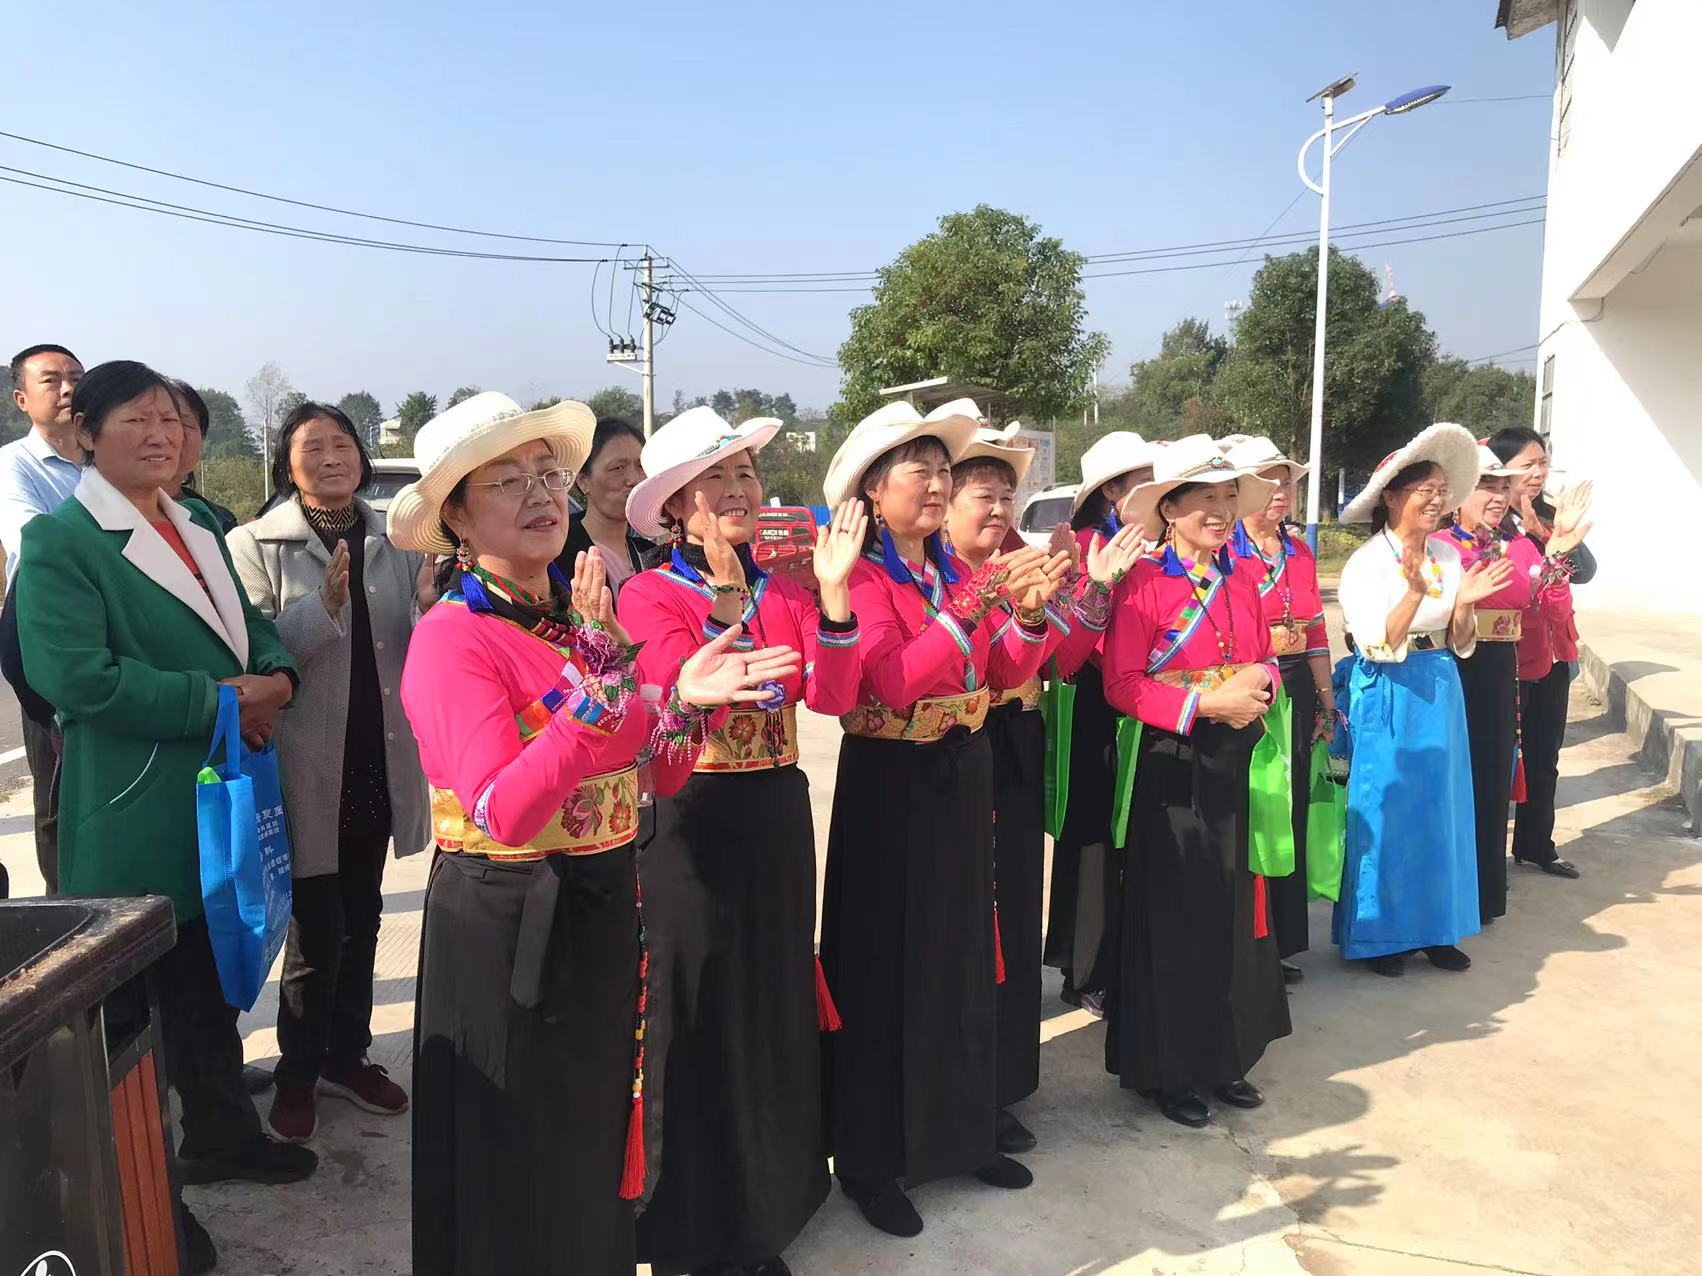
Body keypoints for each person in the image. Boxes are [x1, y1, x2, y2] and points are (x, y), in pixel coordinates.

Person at [391, 391, 799, 1276]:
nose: (541, 495)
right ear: (455, 516)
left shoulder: (581, 626)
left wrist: (684, 703)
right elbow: (503, 807)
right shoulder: (452, 639)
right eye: (507, 482)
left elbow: (660, 773)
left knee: (592, 1131)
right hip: (510, 919)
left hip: (604, 902)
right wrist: (604, 696)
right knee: (521, 1145)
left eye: (547, 475)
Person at [15, 360, 317, 1273]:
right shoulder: (63, 541)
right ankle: (148, 1203)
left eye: (175, 421)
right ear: (87, 434)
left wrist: (276, 674)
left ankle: (222, 1136)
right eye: (139, 420)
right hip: (136, 807)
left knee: (205, 988)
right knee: (130, 1027)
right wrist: (221, 699)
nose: (163, 436)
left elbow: (246, 627)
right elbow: (78, 678)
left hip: (216, 795)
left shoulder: (197, 524)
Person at [615, 405, 865, 1276]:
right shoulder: (648, 595)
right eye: (714, 480)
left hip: (775, 812)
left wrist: (834, 597)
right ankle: (697, 1225)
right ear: (674, 507)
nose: (736, 491)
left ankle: (769, 1206)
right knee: (699, 1012)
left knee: (772, 999)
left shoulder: (786, 587)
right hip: (692, 821)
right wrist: (731, 599)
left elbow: (832, 695)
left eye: (745, 475)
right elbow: (685, 690)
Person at [817, 401, 1070, 1238]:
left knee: (962, 956)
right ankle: (871, 1160)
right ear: (872, 492)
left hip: (962, 773)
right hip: (892, 783)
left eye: (941, 471)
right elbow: (891, 681)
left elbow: (999, 671)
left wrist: (1026, 614)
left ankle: (959, 1133)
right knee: (886, 968)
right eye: (918, 472)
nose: (935, 485)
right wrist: (976, 604)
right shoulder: (862, 577)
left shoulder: (951, 572)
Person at [227, 402, 436, 1145]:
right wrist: (321, 609)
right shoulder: (254, 544)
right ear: (287, 464)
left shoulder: (396, 543)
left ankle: (348, 1057)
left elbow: (420, 643)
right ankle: (298, 1071)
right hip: (306, 765)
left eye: (342, 443)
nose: (330, 457)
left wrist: (431, 607)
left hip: (377, 757)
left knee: (365, 915)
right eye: (311, 446)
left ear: (362, 456)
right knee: (317, 929)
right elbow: (252, 651)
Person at [941, 406, 1143, 1155]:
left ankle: (1002, 1082)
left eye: (1007, 494)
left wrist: (1092, 589)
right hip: (954, 744)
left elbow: (1065, 659)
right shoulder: (934, 572)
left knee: (1015, 908)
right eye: (982, 493)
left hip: (1017, 740)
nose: (998, 508)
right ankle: (955, 1084)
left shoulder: (1032, 558)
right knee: (963, 915)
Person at [1098, 434, 1291, 1129]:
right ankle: (1171, 1070)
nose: (1219, 510)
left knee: (1231, 912)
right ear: (1169, 510)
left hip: (1235, 762)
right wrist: (1208, 704)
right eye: (1203, 498)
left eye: (1228, 496)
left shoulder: (1242, 580)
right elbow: (1122, 685)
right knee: (1176, 916)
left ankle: (1223, 1057)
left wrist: (1259, 682)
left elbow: (1268, 659)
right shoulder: (1144, 584)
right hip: (1172, 763)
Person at [1334, 425, 1516, 977]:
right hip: (1389, 689)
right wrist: (1414, 593)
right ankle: (1382, 936)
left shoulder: (1446, 555)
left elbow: (1458, 640)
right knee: (1389, 808)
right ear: (1392, 498)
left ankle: (1438, 928)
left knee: (1442, 807)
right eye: (1425, 490)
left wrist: (1466, 604)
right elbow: (1376, 643)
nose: (1437, 500)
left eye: (1442, 491)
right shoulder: (1368, 562)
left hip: (1439, 684)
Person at [1442, 443, 1585, 925]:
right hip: (1454, 669)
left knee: (1492, 781)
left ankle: (1483, 890)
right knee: (1456, 782)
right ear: (1459, 490)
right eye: (1487, 485)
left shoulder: (1517, 546)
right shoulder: (1440, 547)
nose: (1499, 496)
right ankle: (1449, 888)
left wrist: (1556, 555)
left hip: (1504, 670)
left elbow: (1549, 609)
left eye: (1505, 486)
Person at [1045, 430, 1158, 1011]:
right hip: (1097, 701)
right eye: (1142, 482)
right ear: (1111, 491)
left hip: (1143, 699)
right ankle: (1085, 969)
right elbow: (1073, 640)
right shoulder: (1088, 545)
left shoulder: (1154, 545)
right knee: (1094, 834)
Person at [1222, 436, 1334, 980]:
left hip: (1297, 686)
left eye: (1286, 481)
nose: (1281, 491)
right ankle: (1246, 940)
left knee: (1289, 808)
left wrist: (1327, 700)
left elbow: (1316, 631)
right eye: (1268, 481)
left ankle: (1281, 941)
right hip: (1249, 686)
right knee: (1254, 809)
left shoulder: (1299, 550)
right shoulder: (1228, 552)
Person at [1488, 426, 1596, 880]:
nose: (1538, 473)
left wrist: (1544, 529)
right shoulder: (1489, 518)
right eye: (1528, 464)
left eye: (1543, 463)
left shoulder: (1550, 513)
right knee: (1500, 759)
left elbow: (1585, 570)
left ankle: (1536, 844)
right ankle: (1488, 860)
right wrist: (1531, 536)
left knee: (1544, 754)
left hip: (1554, 653)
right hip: (1511, 653)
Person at [2, 343, 84, 892]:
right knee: (59, 794)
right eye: (52, 380)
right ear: (22, 399)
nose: (68, 388)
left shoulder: (108, 461)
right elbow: (32, 540)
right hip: (50, 647)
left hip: (121, 638)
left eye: (76, 377)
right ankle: (64, 910)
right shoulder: (12, 464)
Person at [557, 415, 650, 596]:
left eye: (640, 466)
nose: (633, 480)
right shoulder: (560, 553)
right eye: (617, 468)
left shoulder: (650, 553)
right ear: (583, 481)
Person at [167, 379, 240, 533]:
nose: (177, 434)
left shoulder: (219, 522)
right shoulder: (115, 518)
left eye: (186, 424)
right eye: (167, 421)